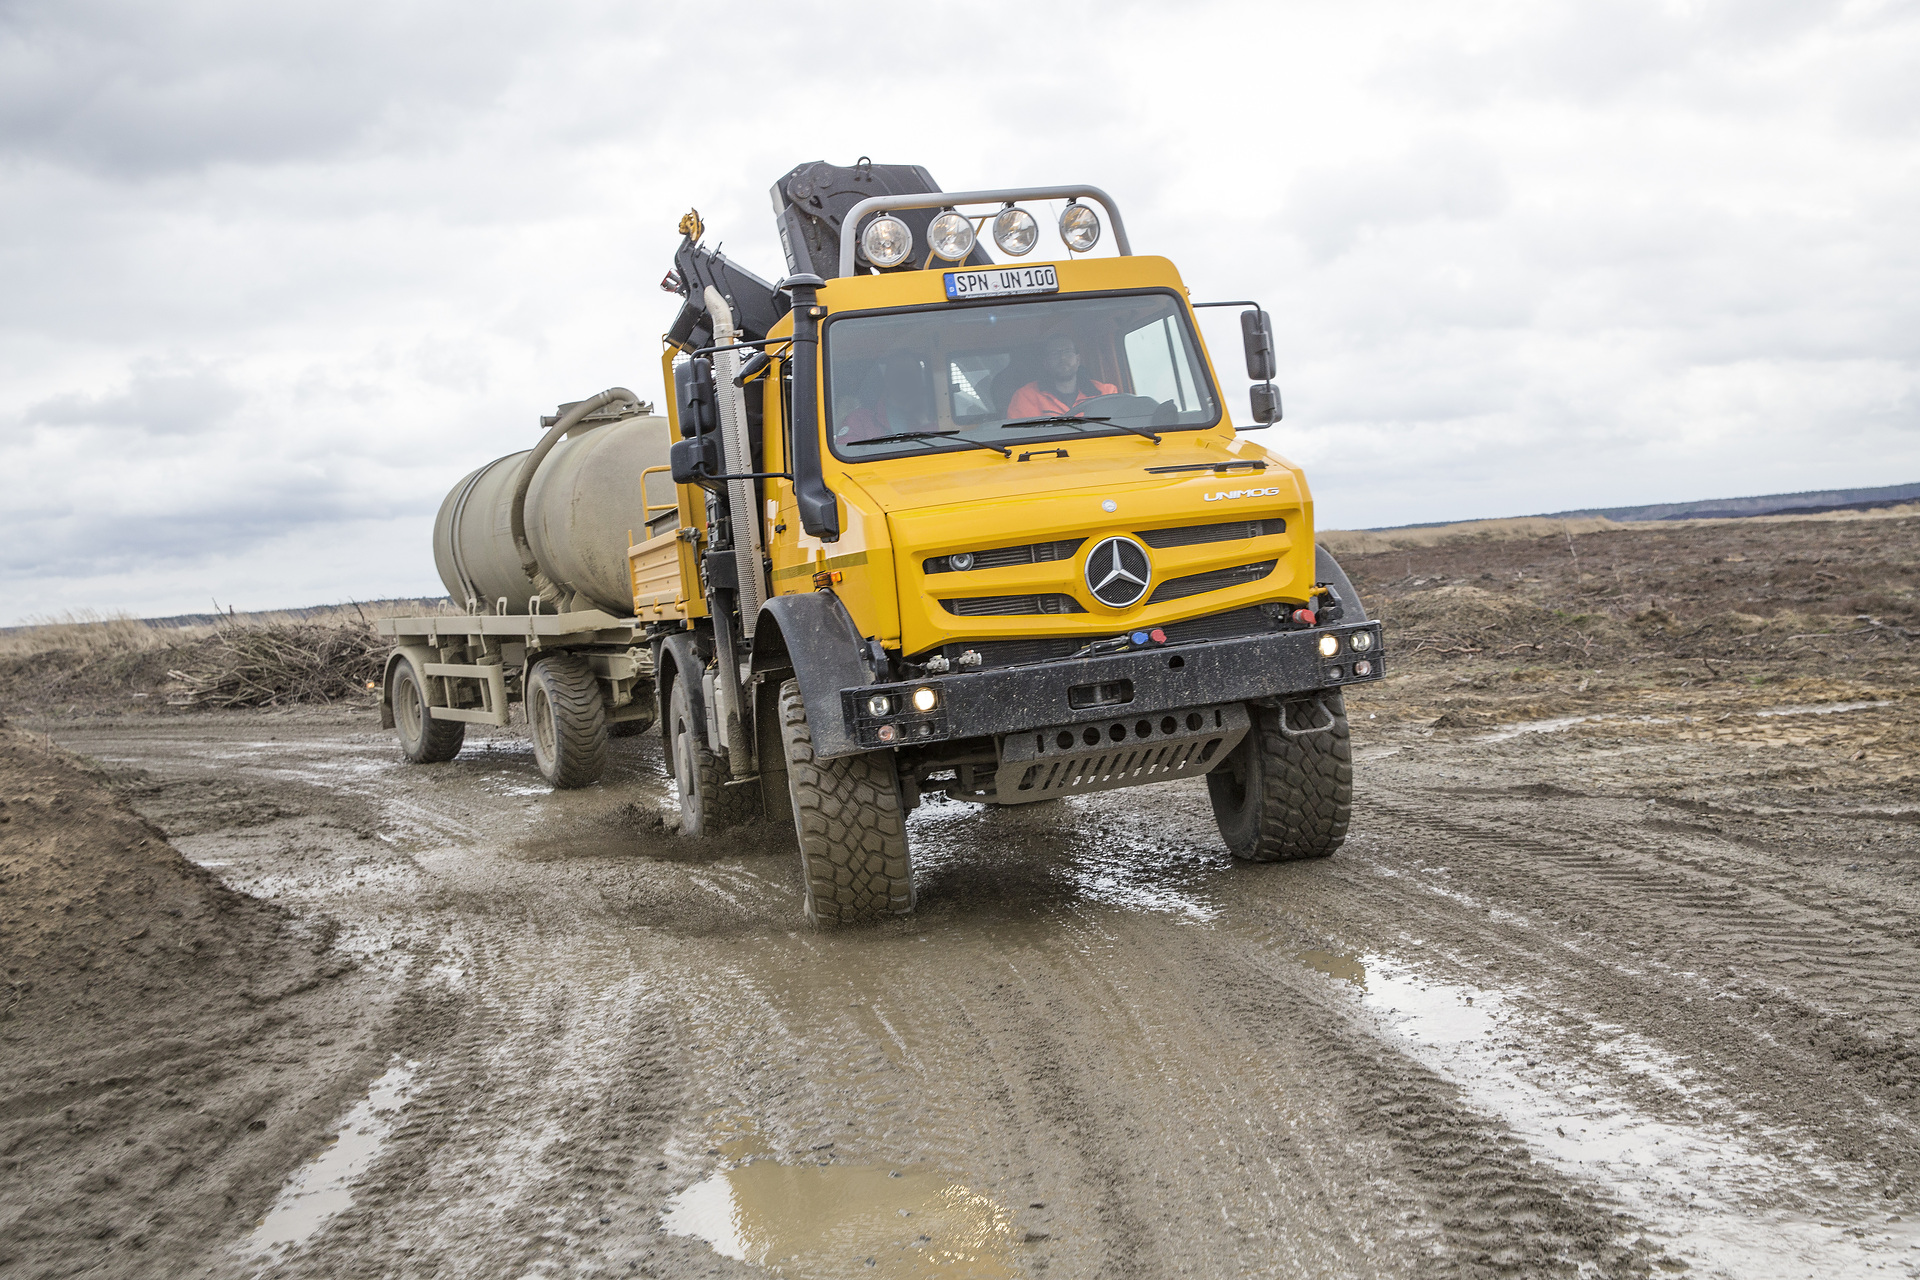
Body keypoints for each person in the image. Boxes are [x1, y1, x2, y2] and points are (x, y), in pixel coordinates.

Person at [1006, 333, 1117, 420]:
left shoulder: (1105, 392)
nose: (1062, 357)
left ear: (1078, 360)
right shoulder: (1025, 397)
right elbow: (1021, 438)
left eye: (1067, 351)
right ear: (1045, 363)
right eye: (1055, 353)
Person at [838, 355, 936, 443]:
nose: (906, 381)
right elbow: (847, 452)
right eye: (901, 375)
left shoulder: (936, 413)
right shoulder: (859, 419)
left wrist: (923, 420)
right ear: (888, 380)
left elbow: (939, 446)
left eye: (911, 376)